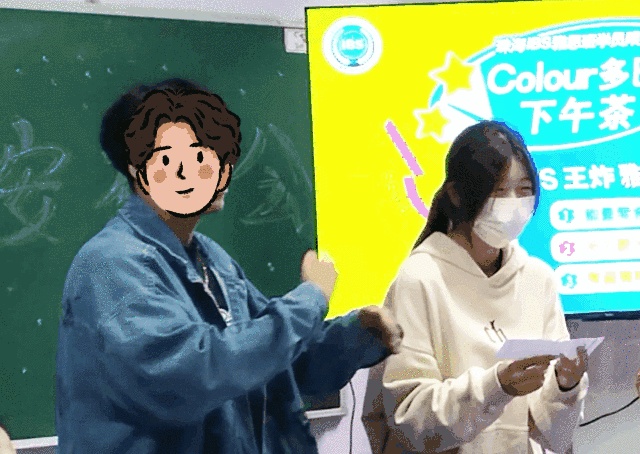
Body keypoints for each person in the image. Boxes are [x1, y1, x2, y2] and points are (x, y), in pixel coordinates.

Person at [55, 78, 403, 453]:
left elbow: (278, 364)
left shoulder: (211, 257)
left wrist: (358, 335)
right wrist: (312, 297)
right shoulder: (111, 265)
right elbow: (200, 373)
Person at [362, 120, 588, 454]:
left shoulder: (538, 279)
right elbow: (409, 419)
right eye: (499, 191)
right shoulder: (420, 277)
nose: (514, 204)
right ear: (456, 194)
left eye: (524, 190)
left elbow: (555, 438)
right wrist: (497, 385)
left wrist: (565, 385)